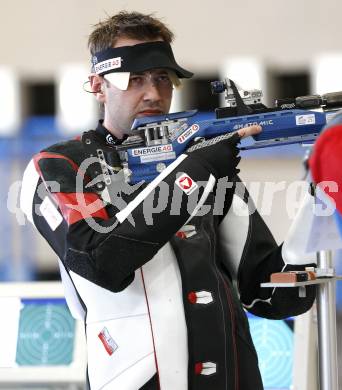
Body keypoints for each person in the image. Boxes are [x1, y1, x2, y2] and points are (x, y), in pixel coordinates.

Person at [20, 11, 316, 390]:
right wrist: (193, 174)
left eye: (163, 78)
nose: (154, 94)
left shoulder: (200, 161)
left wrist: (317, 208)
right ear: (97, 86)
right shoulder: (61, 166)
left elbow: (270, 295)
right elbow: (100, 261)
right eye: (134, 79)